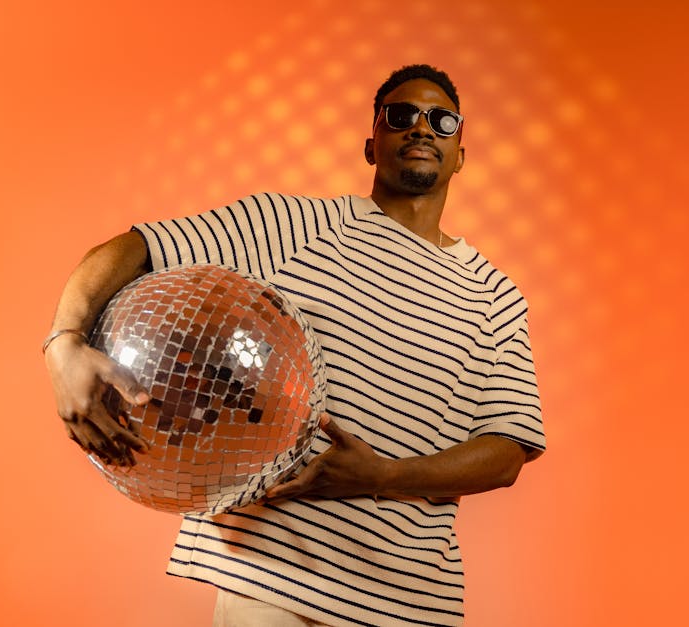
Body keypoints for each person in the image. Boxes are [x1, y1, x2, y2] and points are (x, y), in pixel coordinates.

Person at [44, 64, 546, 627]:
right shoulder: (292, 225)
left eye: (442, 119)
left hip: (410, 601)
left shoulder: (495, 295)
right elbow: (135, 247)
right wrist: (63, 344)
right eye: (400, 115)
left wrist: (385, 478)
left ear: (461, 153)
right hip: (271, 583)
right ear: (371, 143)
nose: (422, 128)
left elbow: (506, 452)